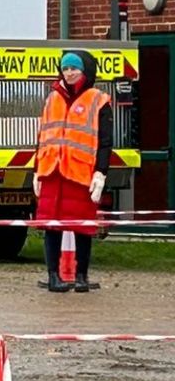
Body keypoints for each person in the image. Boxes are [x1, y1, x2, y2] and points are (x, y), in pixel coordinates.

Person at [33, 51, 112, 293]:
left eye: (74, 68)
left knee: (82, 227)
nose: (69, 73)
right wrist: (36, 170)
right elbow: (43, 135)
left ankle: (81, 276)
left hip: (80, 173)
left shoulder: (98, 100)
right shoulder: (52, 98)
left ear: (85, 70)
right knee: (51, 226)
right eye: (65, 68)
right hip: (52, 171)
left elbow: (105, 141)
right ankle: (53, 276)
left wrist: (101, 172)